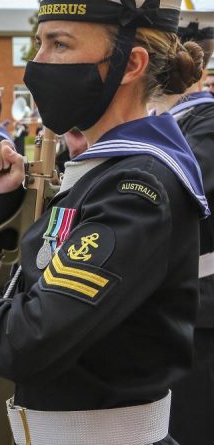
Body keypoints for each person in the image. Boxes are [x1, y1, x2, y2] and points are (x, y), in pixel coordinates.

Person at [0, 1, 207, 444]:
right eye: (39, 43)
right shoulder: (104, 172)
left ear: (131, 64)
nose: (37, 63)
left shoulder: (135, 187)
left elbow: (25, 341)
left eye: (59, 44)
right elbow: (39, 288)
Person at [153, 10, 214, 445]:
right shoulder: (175, 126)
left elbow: (179, 202)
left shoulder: (205, 125)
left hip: (202, 309)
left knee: (192, 426)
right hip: (179, 309)